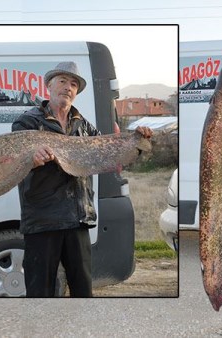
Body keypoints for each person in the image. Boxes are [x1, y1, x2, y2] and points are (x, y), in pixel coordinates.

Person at [11, 61, 152, 297]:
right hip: (42, 222)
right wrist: (30, 160)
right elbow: (12, 164)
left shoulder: (84, 126)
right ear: (49, 86)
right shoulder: (28, 123)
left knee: (83, 292)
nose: (68, 87)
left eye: (73, 84)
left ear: (76, 92)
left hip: (78, 220)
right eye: (63, 81)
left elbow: (110, 156)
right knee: (39, 293)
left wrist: (137, 143)